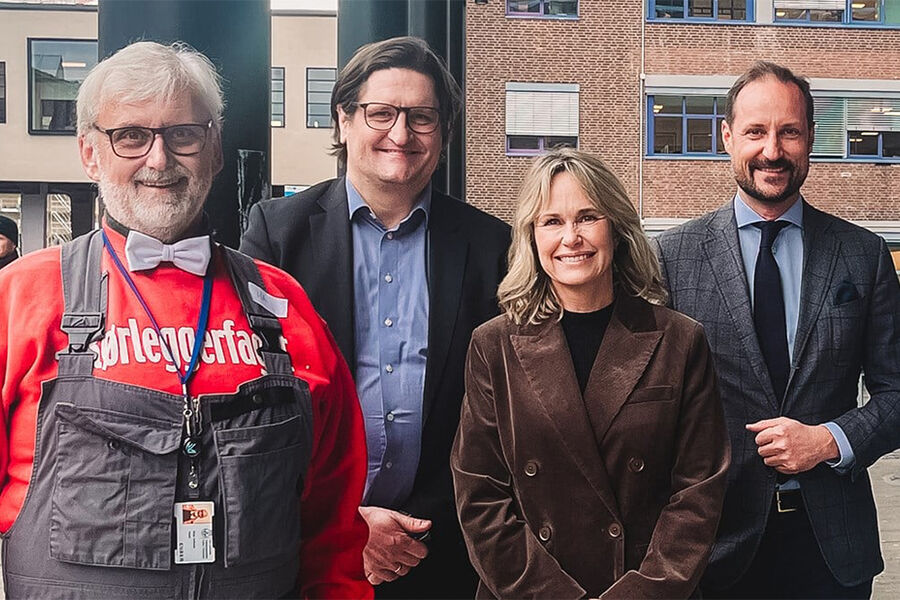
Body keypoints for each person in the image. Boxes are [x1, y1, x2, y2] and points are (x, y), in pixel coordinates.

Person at [0, 41, 371, 599]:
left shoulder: (285, 305)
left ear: (214, 150)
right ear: (90, 154)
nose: (159, 159)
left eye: (183, 134)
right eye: (130, 136)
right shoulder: (21, 297)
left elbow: (333, 534)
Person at [241, 36, 510, 599]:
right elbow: (255, 399)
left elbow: (499, 412)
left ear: (444, 132)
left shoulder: (491, 246)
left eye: (422, 118)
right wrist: (349, 521)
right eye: (381, 113)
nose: (401, 134)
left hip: (441, 551)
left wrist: (418, 526)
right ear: (343, 120)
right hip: (310, 547)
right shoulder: (277, 234)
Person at [654, 61, 900, 599]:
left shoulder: (863, 255)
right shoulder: (672, 256)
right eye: (755, 132)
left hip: (832, 551)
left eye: (789, 131)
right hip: (714, 547)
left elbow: (897, 393)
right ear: (727, 137)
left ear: (810, 137)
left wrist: (829, 440)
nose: (772, 150)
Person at [451, 147, 730, 599]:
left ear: (616, 228)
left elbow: (699, 493)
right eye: (552, 221)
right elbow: (480, 495)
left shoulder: (680, 340)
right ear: (532, 237)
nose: (571, 237)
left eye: (587, 217)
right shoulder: (493, 345)